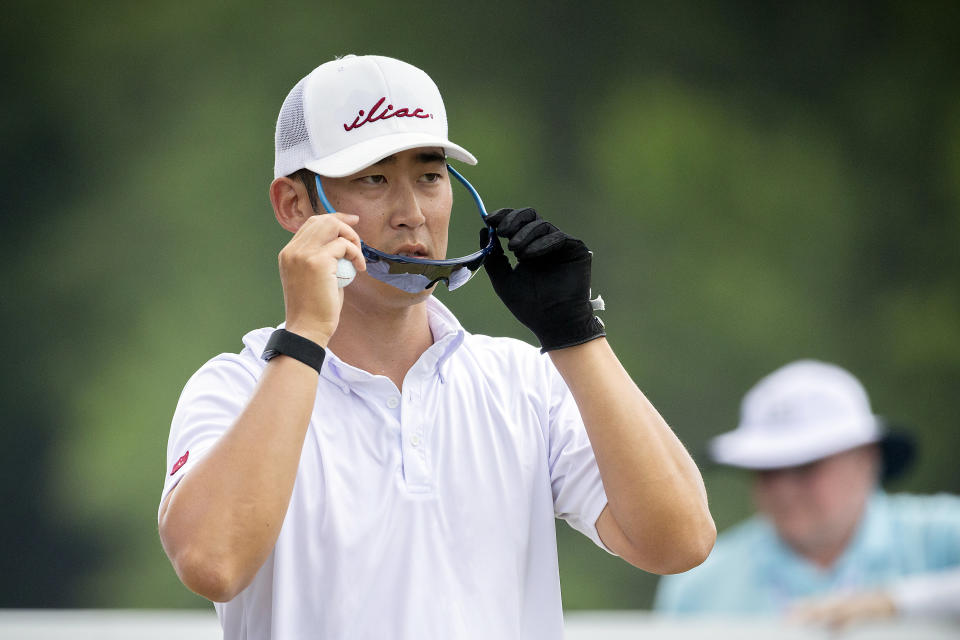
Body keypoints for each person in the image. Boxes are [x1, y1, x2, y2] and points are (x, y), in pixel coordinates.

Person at [158, 54, 715, 639]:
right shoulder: (235, 386)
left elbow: (680, 541)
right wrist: (303, 336)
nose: (412, 214)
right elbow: (212, 563)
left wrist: (574, 334)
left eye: (429, 175)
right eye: (374, 178)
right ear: (294, 205)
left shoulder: (522, 380)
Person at [654, 359, 960, 627]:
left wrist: (896, 603)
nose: (784, 489)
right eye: (767, 470)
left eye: (806, 466)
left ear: (866, 460)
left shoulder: (940, 533)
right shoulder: (701, 584)